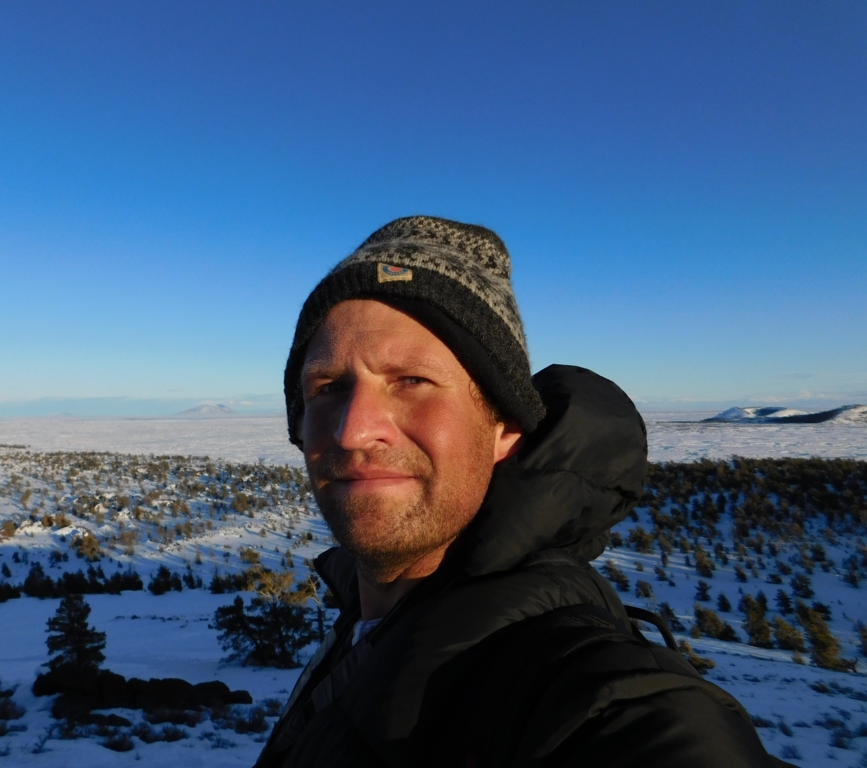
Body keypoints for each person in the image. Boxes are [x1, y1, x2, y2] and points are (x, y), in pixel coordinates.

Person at [255, 216, 786, 767]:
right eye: (328, 387)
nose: (352, 429)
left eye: (412, 381)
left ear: (504, 429)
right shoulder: (361, 630)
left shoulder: (576, 690)